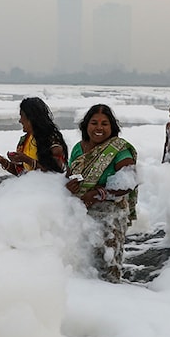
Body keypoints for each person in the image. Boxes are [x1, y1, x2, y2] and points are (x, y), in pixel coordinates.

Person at [65, 104, 138, 283]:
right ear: (86, 126)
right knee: (83, 260)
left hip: (110, 216)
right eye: (94, 123)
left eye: (104, 124)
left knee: (107, 263)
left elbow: (129, 181)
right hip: (81, 213)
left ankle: (108, 303)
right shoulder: (78, 148)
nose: (99, 128)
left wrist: (98, 194)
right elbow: (70, 174)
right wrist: (71, 185)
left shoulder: (118, 150)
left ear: (112, 127)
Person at [0, 97, 67, 174]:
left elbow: (57, 171)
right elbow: (20, 172)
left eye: (22, 116)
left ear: (32, 118)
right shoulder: (24, 141)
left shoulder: (52, 139)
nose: (20, 121)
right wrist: (2, 161)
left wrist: (27, 160)